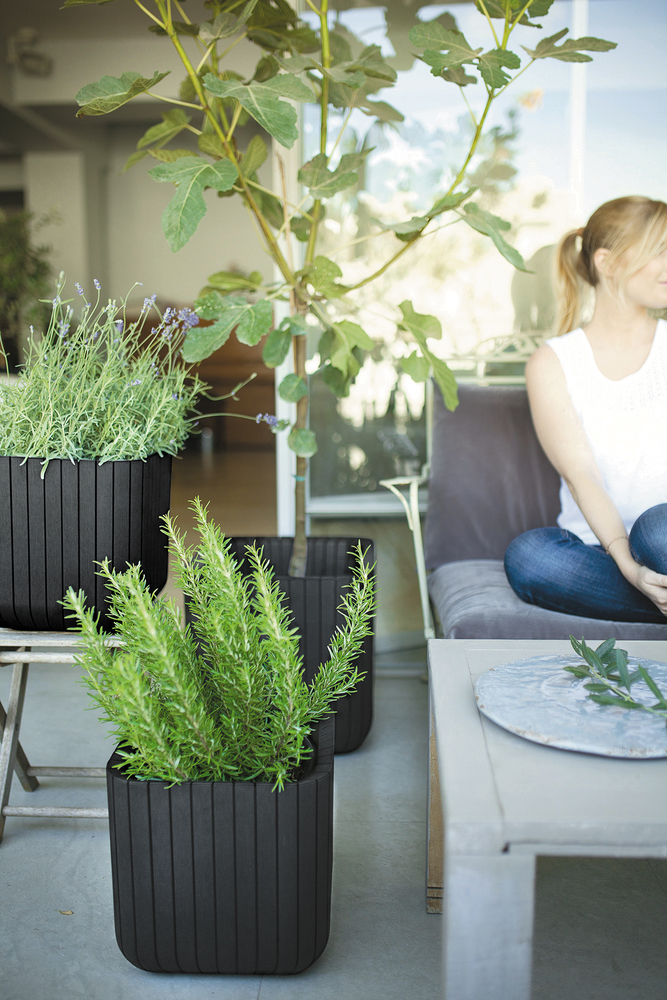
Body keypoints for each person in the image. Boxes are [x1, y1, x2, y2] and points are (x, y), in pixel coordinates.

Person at [504, 196, 667, 623]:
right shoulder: (552, 363)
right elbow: (581, 476)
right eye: (660, 250)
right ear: (607, 263)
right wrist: (631, 570)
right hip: (601, 550)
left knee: (654, 530)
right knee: (529, 557)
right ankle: (652, 592)